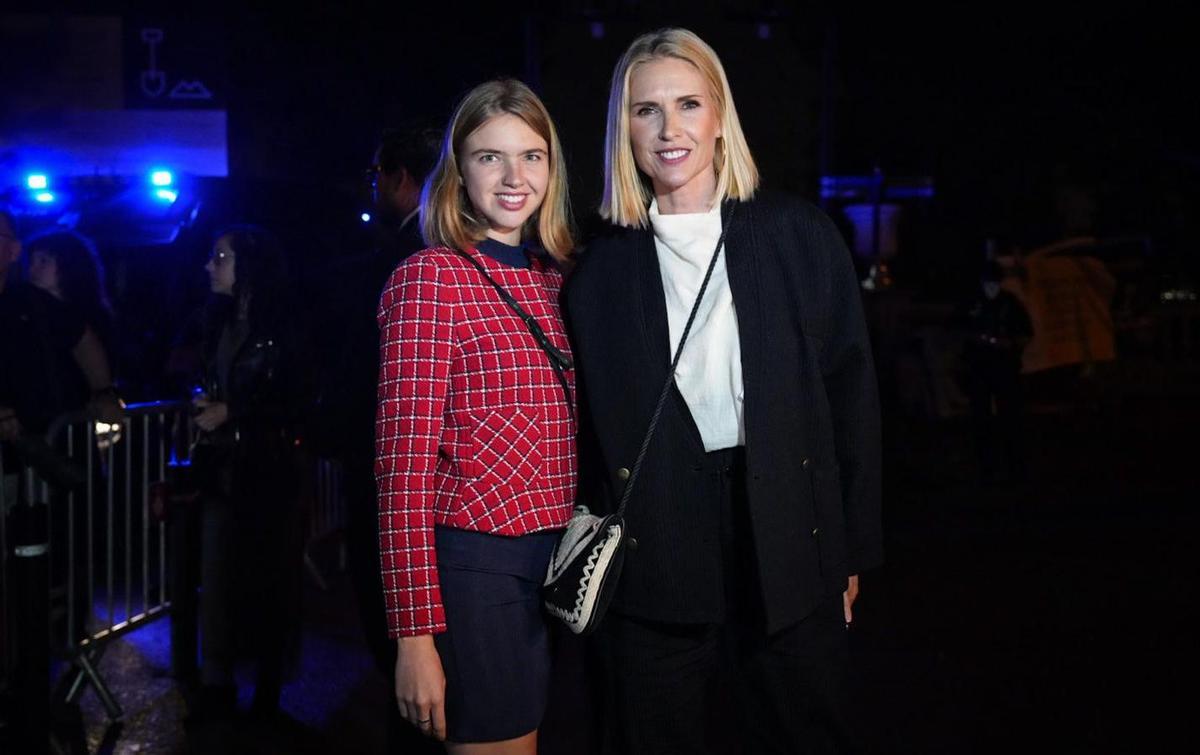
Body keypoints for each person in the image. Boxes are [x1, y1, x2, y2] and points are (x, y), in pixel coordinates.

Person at [565, 29, 882, 753]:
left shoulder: (796, 232)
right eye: (646, 110)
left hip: (787, 527)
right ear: (625, 128)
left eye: (687, 104)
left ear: (719, 116)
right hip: (655, 546)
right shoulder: (598, 266)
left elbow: (850, 396)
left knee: (803, 730)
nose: (669, 129)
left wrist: (847, 547)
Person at [376, 79, 576, 753]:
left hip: (562, 570)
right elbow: (401, 469)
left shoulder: (555, 280)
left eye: (532, 155)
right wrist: (413, 636)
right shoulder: (431, 277)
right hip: (478, 570)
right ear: (460, 171)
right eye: (491, 156)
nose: (514, 176)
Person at [188, 225, 307, 728]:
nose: (210, 265)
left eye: (220, 257)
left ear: (247, 266)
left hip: (266, 471)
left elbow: (295, 398)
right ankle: (218, 683)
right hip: (223, 468)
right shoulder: (216, 322)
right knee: (216, 576)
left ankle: (266, 688)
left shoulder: (283, 324)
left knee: (265, 577)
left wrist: (234, 411)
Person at [962, 260, 1032, 485]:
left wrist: (1010, 343)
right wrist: (979, 339)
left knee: (1010, 417)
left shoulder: (1010, 303)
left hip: (1005, 369)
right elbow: (957, 329)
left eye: (994, 282)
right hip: (979, 369)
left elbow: (1026, 332)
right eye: (987, 282)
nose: (991, 286)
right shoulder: (973, 302)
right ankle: (986, 466)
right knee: (980, 419)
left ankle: (1015, 466)